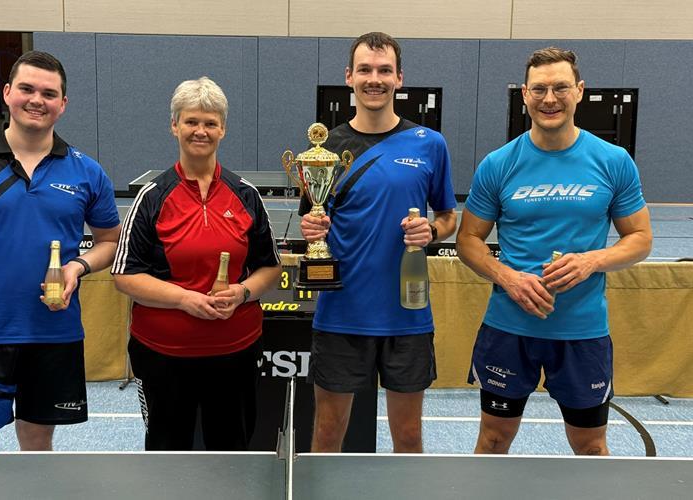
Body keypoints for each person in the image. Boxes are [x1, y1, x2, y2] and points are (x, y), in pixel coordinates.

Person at [456, 47, 653, 455]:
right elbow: (468, 240)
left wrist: (591, 261)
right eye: (539, 89)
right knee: (493, 439)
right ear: (524, 94)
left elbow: (640, 238)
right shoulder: (498, 164)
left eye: (561, 87)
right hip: (509, 328)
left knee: (591, 446)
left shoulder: (613, 161)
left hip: (582, 332)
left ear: (579, 91)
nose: (550, 99)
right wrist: (508, 277)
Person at [0, 50, 121, 451]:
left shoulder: (87, 171)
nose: (37, 100)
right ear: (7, 93)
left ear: (63, 104)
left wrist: (78, 267)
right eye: (27, 89)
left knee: (36, 446)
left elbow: (110, 241)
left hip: (55, 335)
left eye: (49, 93)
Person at [299, 32, 457, 453]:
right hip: (341, 313)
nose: (375, 79)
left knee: (408, 437)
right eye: (365, 70)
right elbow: (312, 219)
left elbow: (448, 217)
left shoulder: (430, 144)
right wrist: (312, 230)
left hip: (407, 313)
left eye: (384, 70)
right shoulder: (326, 148)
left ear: (399, 78)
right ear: (348, 77)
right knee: (327, 434)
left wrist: (432, 232)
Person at [111, 76, 281, 451]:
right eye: (191, 121)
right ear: (175, 126)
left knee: (232, 452)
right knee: (168, 456)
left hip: (235, 353)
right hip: (163, 356)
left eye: (210, 122)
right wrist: (184, 299)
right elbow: (124, 274)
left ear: (223, 129)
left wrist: (243, 292)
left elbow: (270, 267)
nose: (200, 131)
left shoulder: (245, 195)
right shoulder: (151, 197)